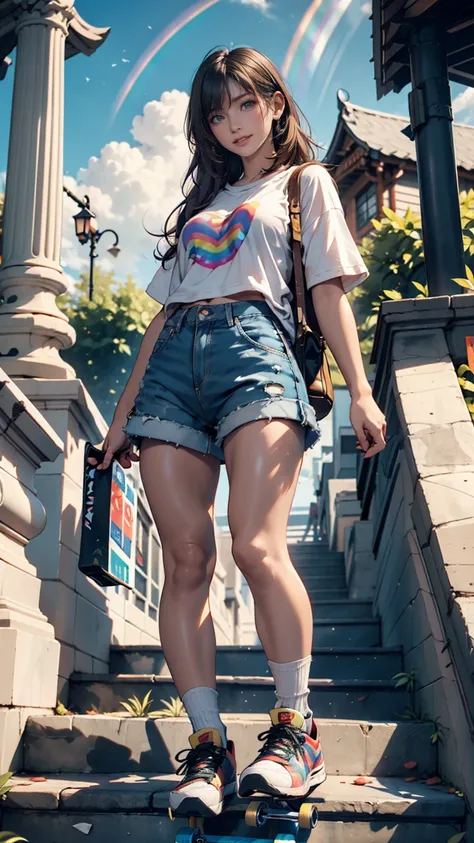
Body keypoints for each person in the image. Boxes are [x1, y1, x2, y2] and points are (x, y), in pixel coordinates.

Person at [92, 46, 386, 818]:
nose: (232, 123)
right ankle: (209, 743)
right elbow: (160, 320)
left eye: (244, 104)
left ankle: (295, 728)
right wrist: (121, 419)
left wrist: (361, 391)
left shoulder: (305, 184)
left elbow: (326, 292)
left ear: (277, 103)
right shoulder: (201, 210)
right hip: (173, 373)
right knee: (187, 557)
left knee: (257, 544)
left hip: (257, 356)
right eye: (217, 113)